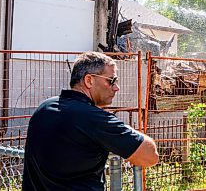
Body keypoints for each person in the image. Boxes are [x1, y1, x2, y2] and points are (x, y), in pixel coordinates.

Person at [22, 51, 159, 191]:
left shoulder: (45, 107)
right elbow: (150, 156)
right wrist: (123, 128)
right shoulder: (93, 118)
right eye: (111, 80)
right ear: (89, 80)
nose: (117, 87)